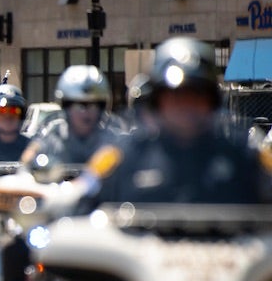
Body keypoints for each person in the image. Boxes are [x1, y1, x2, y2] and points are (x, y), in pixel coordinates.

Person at [84, 37, 272, 206]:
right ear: (157, 100)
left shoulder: (248, 157)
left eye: (196, 95)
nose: (186, 106)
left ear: (212, 101)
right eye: (176, 96)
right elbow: (78, 193)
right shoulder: (120, 158)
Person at [19, 64, 123, 178]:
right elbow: (27, 161)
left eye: (93, 105)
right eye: (79, 105)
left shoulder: (113, 141)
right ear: (65, 106)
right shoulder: (52, 135)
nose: (86, 112)